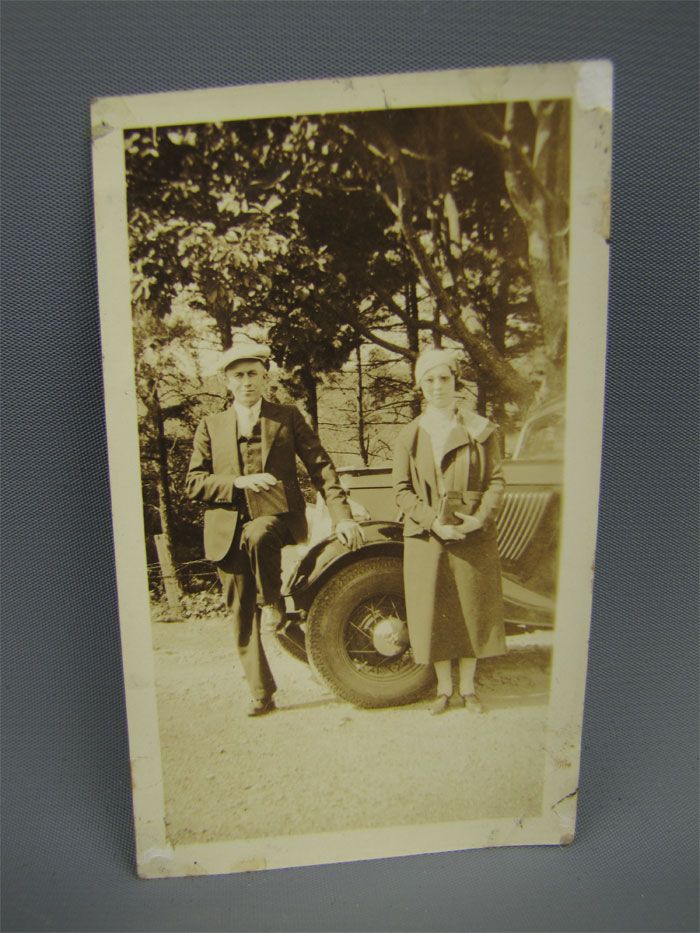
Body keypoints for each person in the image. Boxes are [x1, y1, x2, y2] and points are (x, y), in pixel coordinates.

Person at [186, 340, 364, 716]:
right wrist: (236, 483)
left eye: (253, 373)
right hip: (226, 532)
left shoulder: (287, 416)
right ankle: (261, 691)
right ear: (226, 382)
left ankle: (275, 605)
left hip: (278, 522)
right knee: (239, 614)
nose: (246, 381)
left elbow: (321, 466)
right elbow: (193, 483)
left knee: (260, 532)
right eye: (238, 376)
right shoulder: (210, 425)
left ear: (265, 377)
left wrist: (342, 516)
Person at [391, 348, 507, 715]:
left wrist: (479, 519)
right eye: (429, 380)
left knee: (470, 608)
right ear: (420, 386)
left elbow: (497, 481)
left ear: (456, 382)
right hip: (428, 536)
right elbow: (400, 489)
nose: (438, 387)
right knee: (435, 610)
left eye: (444, 378)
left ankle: (469, 689)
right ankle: (444, 689)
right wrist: (432, 521)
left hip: (472, 532)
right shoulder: (410, 435)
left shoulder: (481, 430)